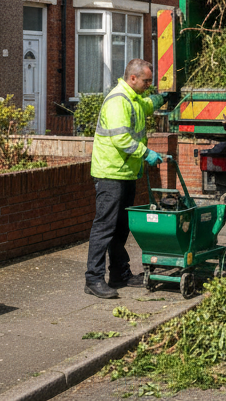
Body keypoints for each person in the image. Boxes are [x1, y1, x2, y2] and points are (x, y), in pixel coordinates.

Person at [85, 58, 168, 299]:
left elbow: (145, 105)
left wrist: (163, 99)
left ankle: (120, 273)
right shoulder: (117, 101)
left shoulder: (132, 98)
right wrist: (147, 153)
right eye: (146, 81)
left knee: (121, 227)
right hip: (110, 173)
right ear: (133, 78)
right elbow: (121, 139)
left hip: (125, 173)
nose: (149, 85)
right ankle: (93, 279)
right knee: (105, 227)